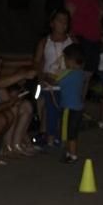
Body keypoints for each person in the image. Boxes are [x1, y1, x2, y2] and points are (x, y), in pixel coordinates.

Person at [33, 8, 73, 143]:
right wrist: (43, 78)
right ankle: (47, 135)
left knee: (63, 111)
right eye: (59, 20)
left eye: (65, 21)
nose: (63, 24)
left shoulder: (72, 42)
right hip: (48, 83)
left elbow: (78, 63)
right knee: (48, 106)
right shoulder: (45, 42)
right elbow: (37, 63)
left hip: (65, 84)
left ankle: (57, 135)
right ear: (52, 23)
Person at [63, 0, 102, 103]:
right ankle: (73, 107)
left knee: (87, 76)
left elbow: (98, 16)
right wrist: (72, 39)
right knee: (79, 76)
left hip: (94, 39)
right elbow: (68, 19)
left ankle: (79, 106)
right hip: (81, 39)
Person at [53, 43, 85, 164]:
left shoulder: (70, 74)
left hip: (69, 108)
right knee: (72, 131)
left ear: (71, 60)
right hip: (77, 107)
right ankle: (69, 153)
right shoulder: (80, 73)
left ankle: (72, 155)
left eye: (65, 59)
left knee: (69, 132)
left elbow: (57, 82)